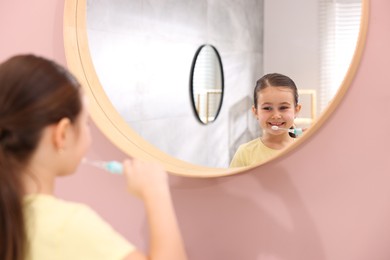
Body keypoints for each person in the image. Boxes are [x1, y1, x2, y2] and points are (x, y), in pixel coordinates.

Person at [0, 54, 188, 260]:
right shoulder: (66, 227)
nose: (88, 133)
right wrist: (156, 192)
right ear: (62, 134)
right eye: (86, 123)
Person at [230, 73, 302, 168]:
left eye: (283, 107)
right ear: (255, 112)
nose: (276, 116)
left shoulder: (304, 149)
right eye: (267, 108)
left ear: (296, 110)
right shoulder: (245, 153)